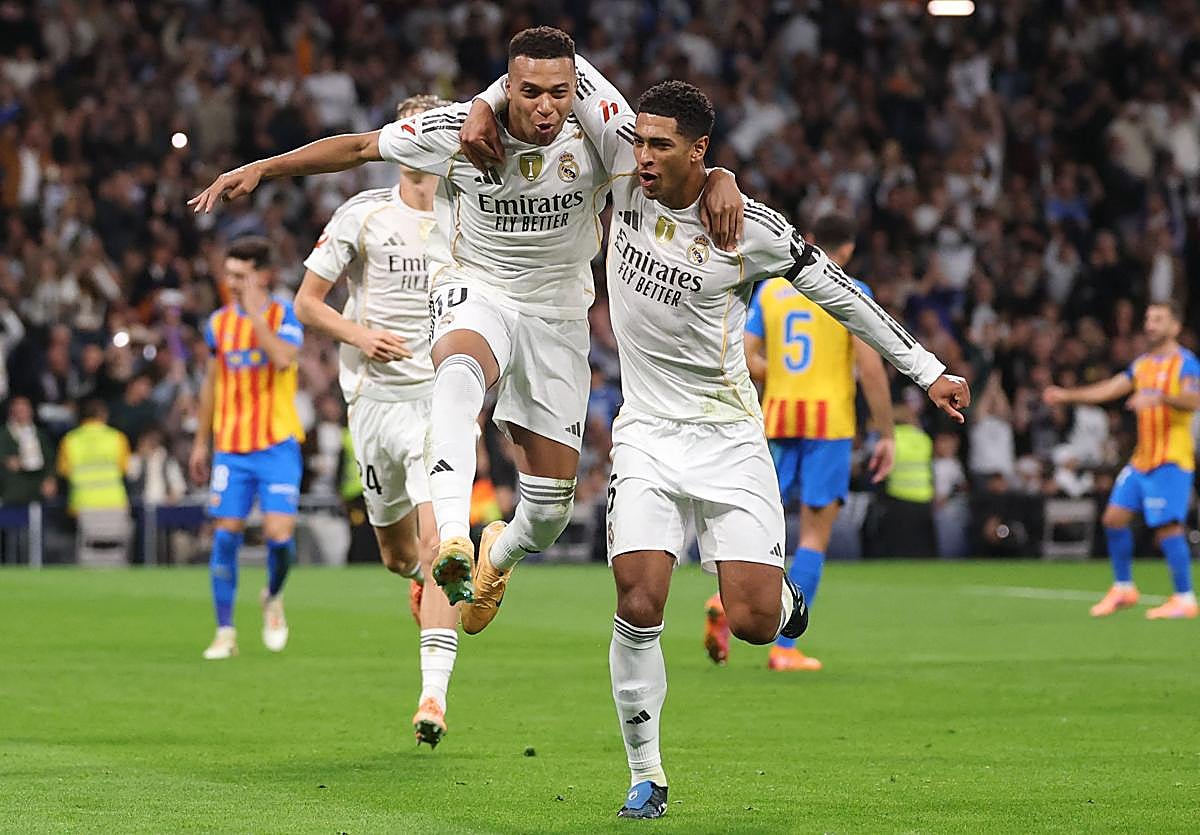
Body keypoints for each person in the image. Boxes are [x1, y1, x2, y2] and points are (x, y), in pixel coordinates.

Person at [473, 59, 968, 818]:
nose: (642, 156)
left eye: (662, 146)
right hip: (645, 435)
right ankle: (647, 772)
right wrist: (485, 101)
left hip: (731, 440)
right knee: (638, 598)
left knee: (753, 621)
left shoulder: (750, 229)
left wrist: (926, 369)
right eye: (639, 141)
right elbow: (560, 60)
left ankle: (786, 597)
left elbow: (841, 296)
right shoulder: (618, 167)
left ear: (698, 152)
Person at [190, 27, 741, 633]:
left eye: (559, 92)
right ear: (508, 86)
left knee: (550, 511)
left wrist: (720, 177)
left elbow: (673, 159)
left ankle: (496, 553)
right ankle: (452, 538)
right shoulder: (457, 131)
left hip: (558, 315)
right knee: (455, 374)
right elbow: (358, 148)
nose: (544, 107)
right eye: (528, 91)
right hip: (478, 287)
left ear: (574, 87)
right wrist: (263, 170)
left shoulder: (604, 136)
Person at [293, 94, 463, 748]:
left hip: (438, 402)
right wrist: (360, 334)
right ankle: (422, 588)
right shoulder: (363, 216)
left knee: (440, 546)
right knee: (399, 559)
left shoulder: (466, 220)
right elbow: (308, 304)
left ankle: (433, 696)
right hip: (373, 403)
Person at [739, 213, 896, 672]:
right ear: (845, 250)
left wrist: (787, 378)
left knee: (758, 526)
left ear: (808, 241)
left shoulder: (771, 290)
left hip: (779, 417)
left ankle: (721, 597)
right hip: (829, 425)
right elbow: (870, 369)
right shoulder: (852, 292)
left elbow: (749, 358)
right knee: (813, 534)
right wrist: (885, 432)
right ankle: (785, 649)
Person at [1043, 301, 1200, 620]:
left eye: (1158, 319)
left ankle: (1185, 597)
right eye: (1148, 318)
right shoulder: (1142, 365)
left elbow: (1193, 399)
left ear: (1175, 327)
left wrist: (1158, 396)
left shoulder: (1186, 362)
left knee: (1167, 527)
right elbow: (1109, 389)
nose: (1150, 324)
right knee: (1113, 519)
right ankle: (1124, 587)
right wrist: (1067, 395)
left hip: (1171, 459)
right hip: (1142, 460)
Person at [188, 237, 305, 660]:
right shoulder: (218, 324)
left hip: (277, 445)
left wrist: (255, 316)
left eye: (241, 275)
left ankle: (272, 595)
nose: (232, 282)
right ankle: (225, 632)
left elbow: (282, 360)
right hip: (232, 449)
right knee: (225, 537)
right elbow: (211, 384)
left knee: (279, 539)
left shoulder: (285, 314)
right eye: (229, 273)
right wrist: (202, 442)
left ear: (263, 275)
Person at [57, 399, 131, 565]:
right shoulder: (117, 437)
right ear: (103, 415)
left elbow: (64, 471)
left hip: (83, 503)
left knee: (86, 545)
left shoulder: (70, 440)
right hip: (114, 501)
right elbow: (124, 468)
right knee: (116, 545)